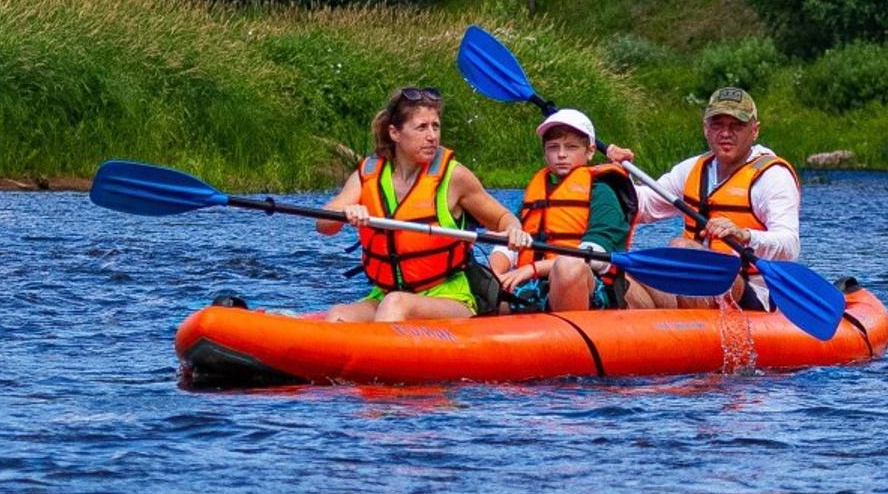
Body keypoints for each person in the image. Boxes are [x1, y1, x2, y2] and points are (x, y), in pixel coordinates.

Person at [316, 86, 531, 322]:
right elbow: (324, 225)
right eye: (421, 127)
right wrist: (345, 212)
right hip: (387, 293)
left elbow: (503, 218)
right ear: (394, 133)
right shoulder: (369, 174)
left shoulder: (454, 177)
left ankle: (384, 355)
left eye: (435, 126)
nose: (432, 136)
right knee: (337, 316)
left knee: (396, 304)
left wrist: (514, 230)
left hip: (449, 298)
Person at [606, 87, 799, 311]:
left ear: (754, 130)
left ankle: (694, 327)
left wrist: (744, 235)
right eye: (717, 125)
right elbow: (643, 207)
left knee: (682, 248)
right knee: (628, 272)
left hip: (754, 292)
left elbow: (789, 246)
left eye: (736, 125)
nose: (726, 133)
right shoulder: (693, 169)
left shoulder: (772, 176)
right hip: (698, 289)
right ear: (705, 128)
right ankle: (648, 337)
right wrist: (619, 175)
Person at [489, 108, 637, 312]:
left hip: (587, 286)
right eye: (553, 147)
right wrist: (495, 270)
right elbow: (512, 241)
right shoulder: (537, 192)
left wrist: (531, 269)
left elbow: (594, 257)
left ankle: (572, 337)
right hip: (533, 283)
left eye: (571, 147)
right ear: (545, 152)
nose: (561, 154)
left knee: (569, 267)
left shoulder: (603, 193)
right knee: (480, 277)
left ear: (590, 151)